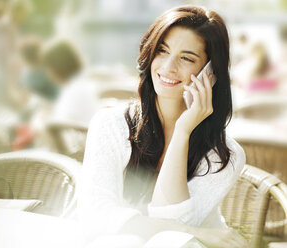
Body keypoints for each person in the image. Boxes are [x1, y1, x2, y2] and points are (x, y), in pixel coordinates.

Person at [77, 5, 248, 248]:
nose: (168, 67)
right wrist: (187, 230)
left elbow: (171, 240)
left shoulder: (225, 156)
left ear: (210, 73)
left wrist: (182, 131)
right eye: (162, 51)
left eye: (187, 58)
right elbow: (96, 218)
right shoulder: (110, 125)